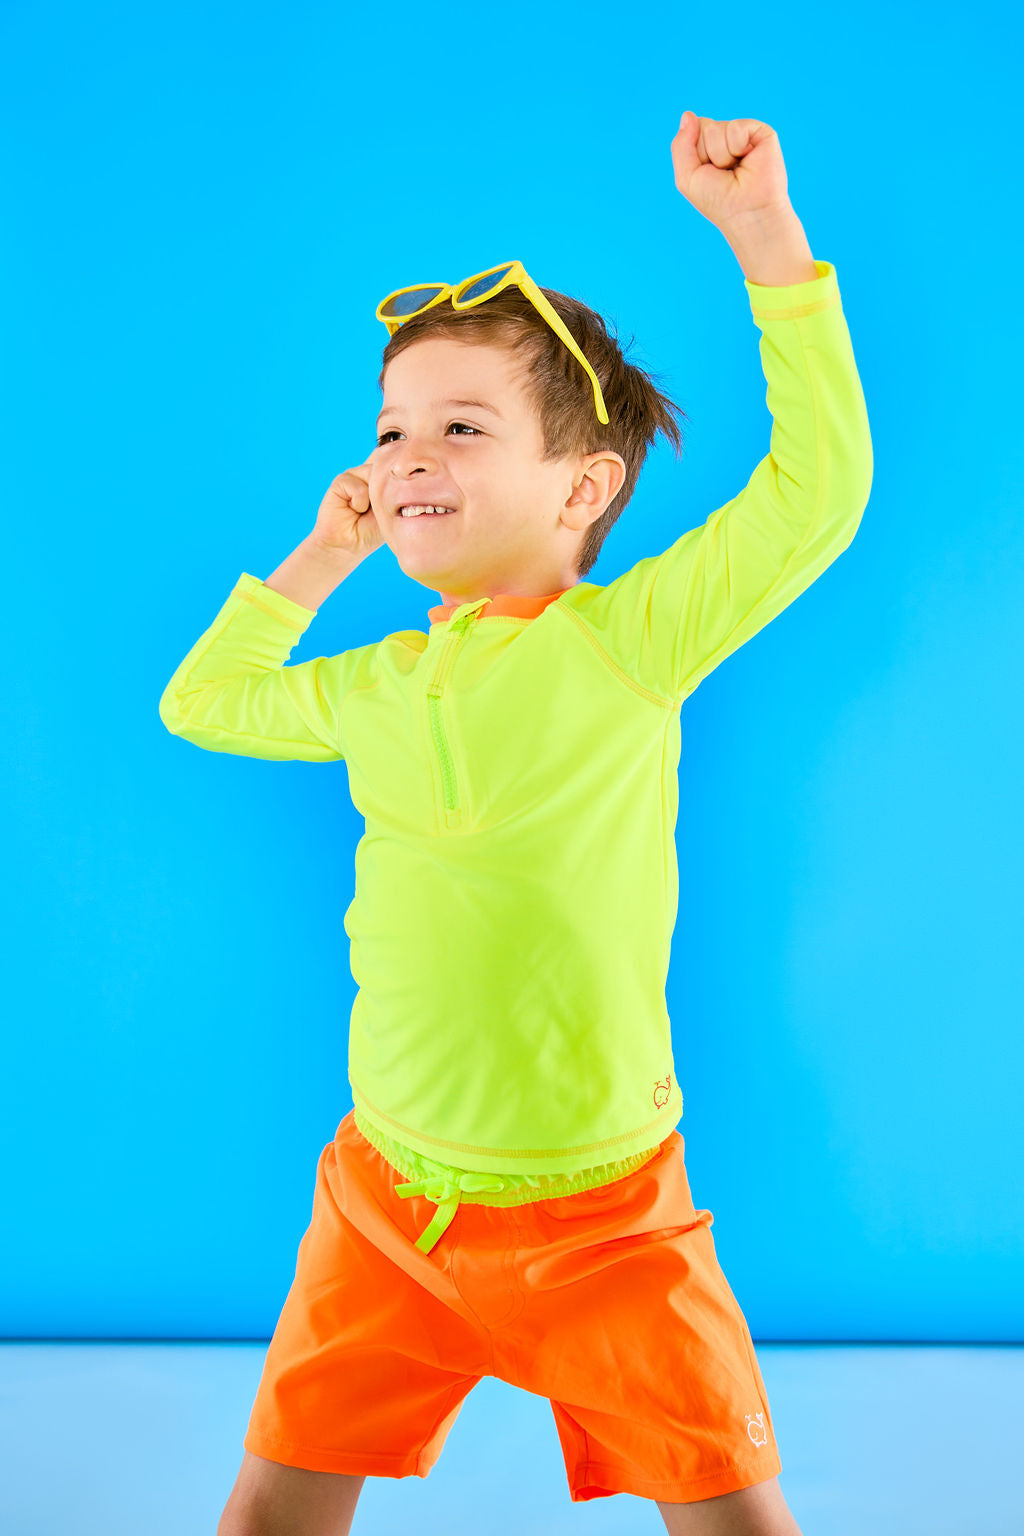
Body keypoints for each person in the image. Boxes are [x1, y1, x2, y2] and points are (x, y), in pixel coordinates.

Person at [159, 110, 872, 1536]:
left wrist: (762, 240)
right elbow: (208, 703)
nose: (408, 455)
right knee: (269, 1512)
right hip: (386, 1213)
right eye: (390, 430)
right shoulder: (376, 682)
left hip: (607, 1224)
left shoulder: (629, 643)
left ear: (586, 487)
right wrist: (323, 552)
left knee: (736, 1518)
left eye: (461, 427)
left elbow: (815, 498)